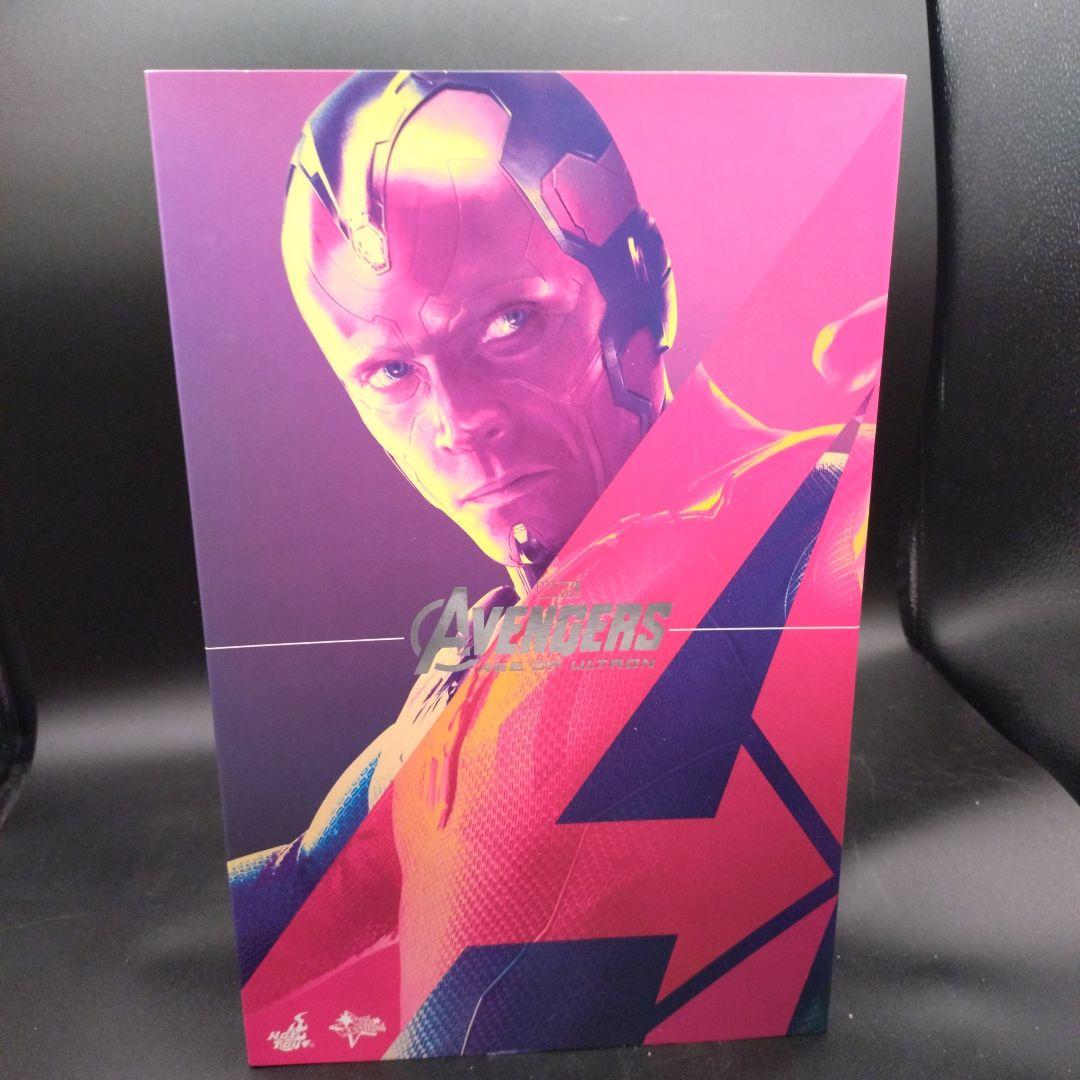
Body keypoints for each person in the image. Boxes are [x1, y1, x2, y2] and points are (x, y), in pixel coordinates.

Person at [231, 70, 877, 1055]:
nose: (459, 423)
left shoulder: (790, 524)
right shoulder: (467, 671)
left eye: (509, 322)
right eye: (392, 371)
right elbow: (304, 891)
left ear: (642, 291)